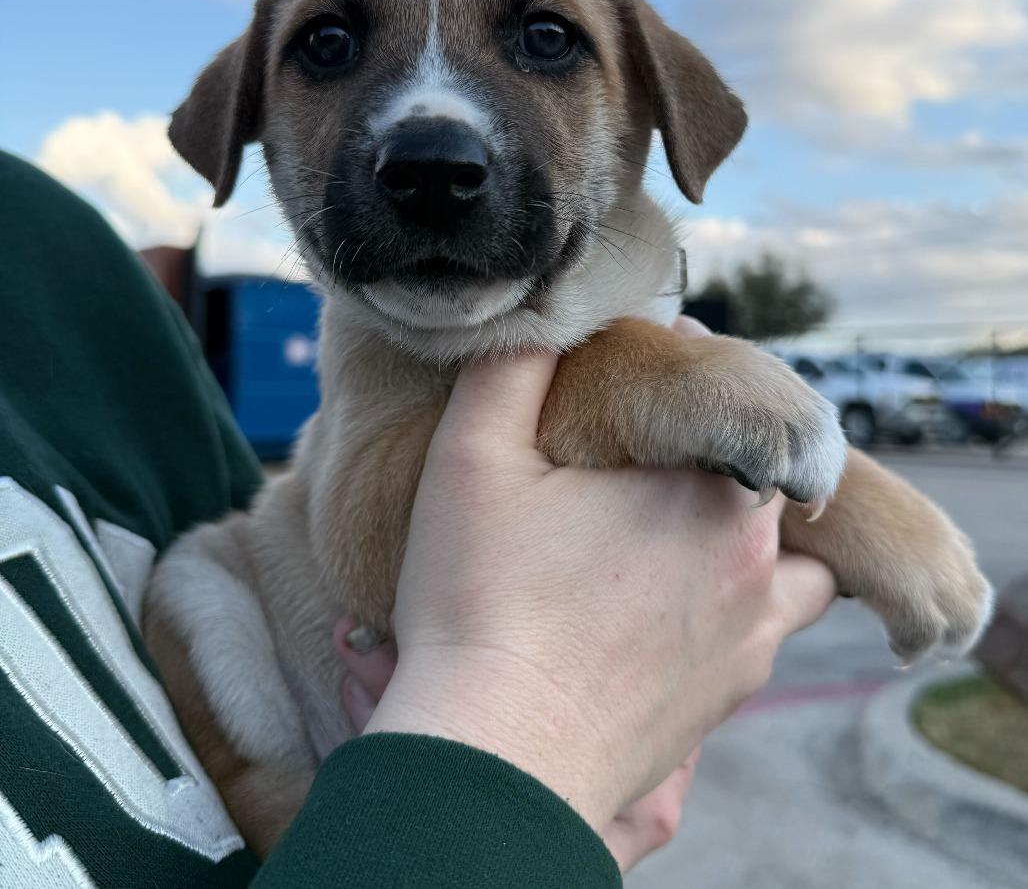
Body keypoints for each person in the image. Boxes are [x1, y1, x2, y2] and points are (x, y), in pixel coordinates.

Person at [0, 150, 835, 888]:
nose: (432, 136)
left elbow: (297, 528)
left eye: (546, 40)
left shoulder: (56, 253)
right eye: (327, 44)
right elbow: (368, 562)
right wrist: (523, 770)